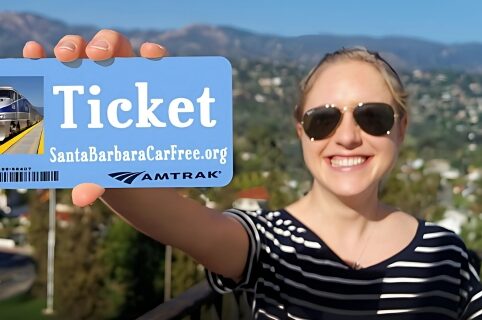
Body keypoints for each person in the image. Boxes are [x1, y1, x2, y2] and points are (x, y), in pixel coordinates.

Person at [24, 30, 482, 319]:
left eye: (373, 117)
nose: (346, 137)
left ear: (401, 128)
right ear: (300, 129)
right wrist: (101, 155)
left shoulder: (448, 255)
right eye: (324, 119)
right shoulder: (266, 242)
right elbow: (175, 219)